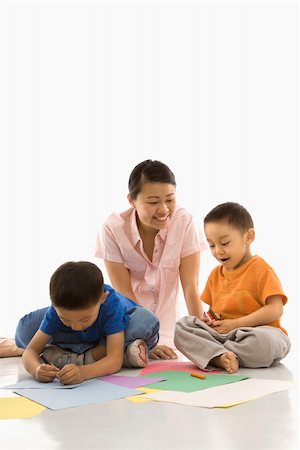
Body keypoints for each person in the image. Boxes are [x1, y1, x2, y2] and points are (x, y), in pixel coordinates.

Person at [95, 159, 208, 359]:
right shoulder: (113, 229)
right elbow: (124, 294)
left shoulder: (184, 221)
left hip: (170, 328)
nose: (164, 209)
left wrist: (205, 340)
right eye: (153, 202)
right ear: (131, 200)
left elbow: (191, 286)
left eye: (170, 199)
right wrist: (145, 339)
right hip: (129, 323)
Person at [174, 202, 291, 373]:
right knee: (183, 326)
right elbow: (213, 313)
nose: (218, 251)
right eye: (212, 245)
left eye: (225, 243)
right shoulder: (215, 274)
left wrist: (236, 324)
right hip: (225, 336)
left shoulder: (261, 269)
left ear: (248, 237)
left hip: (257, 333)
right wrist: (209, 321)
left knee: (267, 342)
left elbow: (276, 309)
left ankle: (216, 353)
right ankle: (222, 356)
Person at [18, 261, 159, 384]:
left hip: (113, 332)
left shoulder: (111, 305)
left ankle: (78, 356)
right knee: (24, 330)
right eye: (66, 319)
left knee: (146, 321)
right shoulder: (57, 311)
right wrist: (36, 369)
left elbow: (114, 360)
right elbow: (31, 350)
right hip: (92, 340)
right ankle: (112, 353)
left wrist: (83, 372)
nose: (76, 326)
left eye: (84, 319)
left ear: (102, 299)